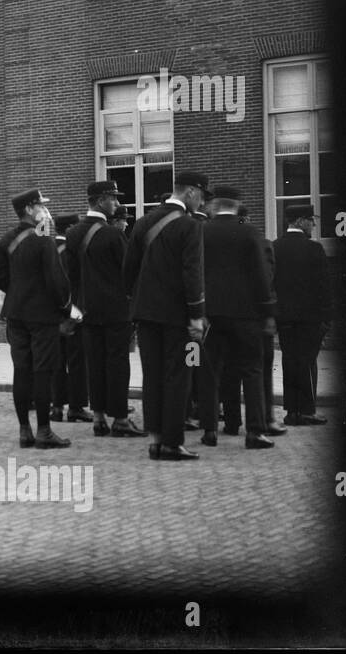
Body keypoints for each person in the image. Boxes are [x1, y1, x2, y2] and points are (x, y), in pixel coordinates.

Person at [123, 171, 209, 461]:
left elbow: (129, 270)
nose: (202, 203)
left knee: (153, 376)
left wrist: (137, 303)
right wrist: (197, 315)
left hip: (145, 315)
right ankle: (172, 442)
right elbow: (192, 274)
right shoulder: (189, 225)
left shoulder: (143, 222)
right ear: (190, 193)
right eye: (201, 196)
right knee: (178, 377)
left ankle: (156, 439)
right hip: (178, 318)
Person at [196, 186, 276, 450]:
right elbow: (260, 276)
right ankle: (255, 431)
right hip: (246, 314)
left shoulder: (202, 232)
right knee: (252, 370)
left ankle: (209, 430)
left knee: (211, 372)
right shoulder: (249, 232)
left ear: (214, 205)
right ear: (237, 205)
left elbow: (193, 272)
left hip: (211, 313)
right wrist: (267, 311)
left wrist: (197, 311)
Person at [0, 189, 73, 449]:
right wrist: (66, 308)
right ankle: (44, 431)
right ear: (29, 209)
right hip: (42, 315)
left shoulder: (7, 239)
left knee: (22, 370)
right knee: (42, 371)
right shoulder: (42, 238)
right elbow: (56, 279)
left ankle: (24, 430)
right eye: (40, 205)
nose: (44, 210)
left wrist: (17, 291)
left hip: (16, 313)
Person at [63, 181, 142, 438]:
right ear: (99, 201)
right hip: (116, 310)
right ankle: (119, 418)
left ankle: (98, 417)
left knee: (94, 363)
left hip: (86, 310)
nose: (117, 204)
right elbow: (129, 272)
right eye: (113, 199)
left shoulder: (73, 233)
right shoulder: (112, 234)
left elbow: (71, 277)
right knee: (117, 363)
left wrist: (76, 308)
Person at [274, 203, 331, 426]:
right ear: (299, 221)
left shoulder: (275, 247)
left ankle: (292, 412)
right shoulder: (314, 249)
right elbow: (324, 287)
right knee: (307, 363)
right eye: (310, 220)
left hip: (285, 319)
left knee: (289, 361)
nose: (314, 224)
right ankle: (306, 411)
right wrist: (327, 318)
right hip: (310, 319)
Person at [50, 214, 91, 423]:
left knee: (57, 362)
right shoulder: (71, 252)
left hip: (52, 316)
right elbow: (73, 286)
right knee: (76, 362)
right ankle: (76, 406)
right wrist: (74, 314)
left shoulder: (48, 248)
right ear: (70, 228)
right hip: (72, 314)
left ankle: (56, 406)